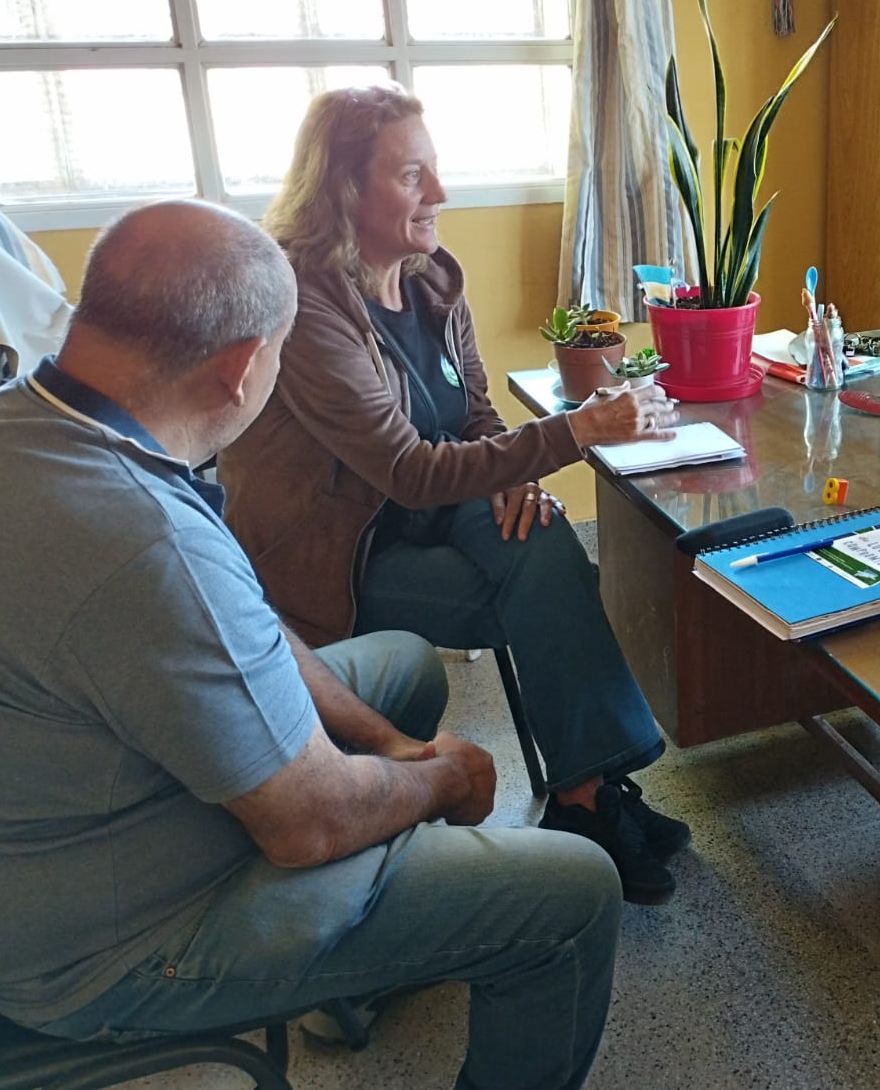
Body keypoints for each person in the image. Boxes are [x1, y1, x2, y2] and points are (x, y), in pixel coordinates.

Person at [0, 201, 622, 1090]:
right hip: (111, 946)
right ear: (242, 370)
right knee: (573, 893)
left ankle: (369, 963)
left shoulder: (18, 424)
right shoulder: (146, 543)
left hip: (73, 813)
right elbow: (306, 822)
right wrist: (443, 778)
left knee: (401, 663)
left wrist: (391, 746)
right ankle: (379, 934)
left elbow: (244, 622)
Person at [219, 83, 689, 906]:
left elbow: (473, 415)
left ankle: (585, 795)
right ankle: (592, 793)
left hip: (430, 517)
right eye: (411, 176)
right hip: (338, 561)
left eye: (434, 171)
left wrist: (525, 479)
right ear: (343, 191)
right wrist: (575, 431)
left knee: (539, 532)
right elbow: (404, 469)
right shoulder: (305, 304)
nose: (439, 194)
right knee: (535, 573)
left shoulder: (431, 277)